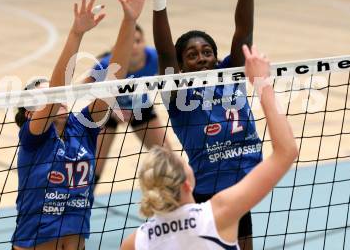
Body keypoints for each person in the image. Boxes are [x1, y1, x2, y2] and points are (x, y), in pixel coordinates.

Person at [138, 0, 275, 249]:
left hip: (243, 184)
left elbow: (244, 31)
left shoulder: (231, 73)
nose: (202, 58)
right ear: (183, 66)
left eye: (207, 52)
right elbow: (164, 53)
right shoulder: (178, 93)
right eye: (192, 55)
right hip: (204, 191)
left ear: (217, 56)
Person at [11, 0, 151, 250]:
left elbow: (114, 77)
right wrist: (76, 34)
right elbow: (58, 90)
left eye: (48, 90)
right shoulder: (34, 137)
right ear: (29, 113)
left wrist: (129, 20)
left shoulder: (83, 128)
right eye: (41, 93)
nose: (50, 94)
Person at [121, 45, 298, 250]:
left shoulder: (136, 242)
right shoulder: (219, 213)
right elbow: (286, 151)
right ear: (188, 184)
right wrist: (262, 83)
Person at [87, 24, 171, 187]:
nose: (134, 46)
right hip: (107, 112)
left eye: (138, 41)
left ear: (144, 42)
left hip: (141, 108)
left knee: (167, 157)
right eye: (129, 42)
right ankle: (82, 204)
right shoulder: (105, 65)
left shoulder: (154, 58)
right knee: (94, 167)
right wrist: (111, 111)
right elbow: (84, 93)